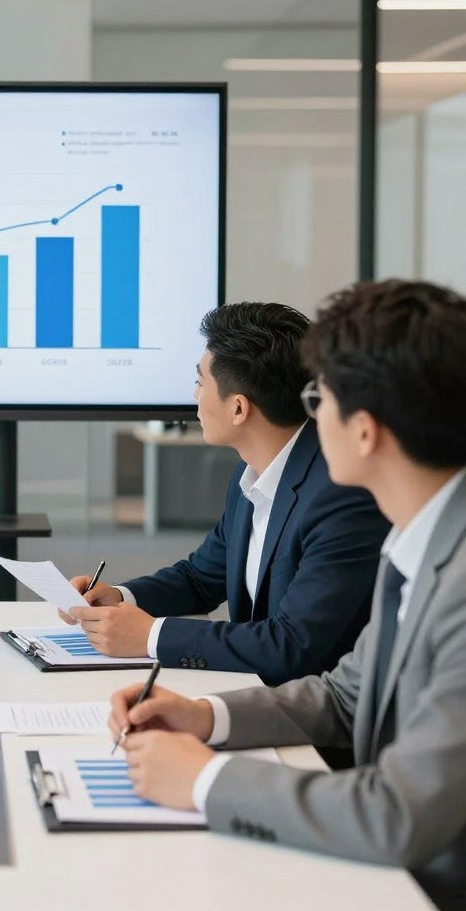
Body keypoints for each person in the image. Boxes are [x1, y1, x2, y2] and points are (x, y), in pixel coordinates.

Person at [108, 280, 466, 910]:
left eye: (318, 396)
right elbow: (346, 693)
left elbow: (396, 815)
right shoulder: (418, 538)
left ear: (365, 432)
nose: (308, 415)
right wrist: (207, 717)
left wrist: (206, 780)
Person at [63, 302, 389, 685]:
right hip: (256, 696)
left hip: (315, 725)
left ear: (238, 409)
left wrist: (151, 636)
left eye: (200, 382)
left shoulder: (340, 496)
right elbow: (201, 578)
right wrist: (120, 598)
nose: (195, 396)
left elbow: (292, 645)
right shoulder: (250, 475)